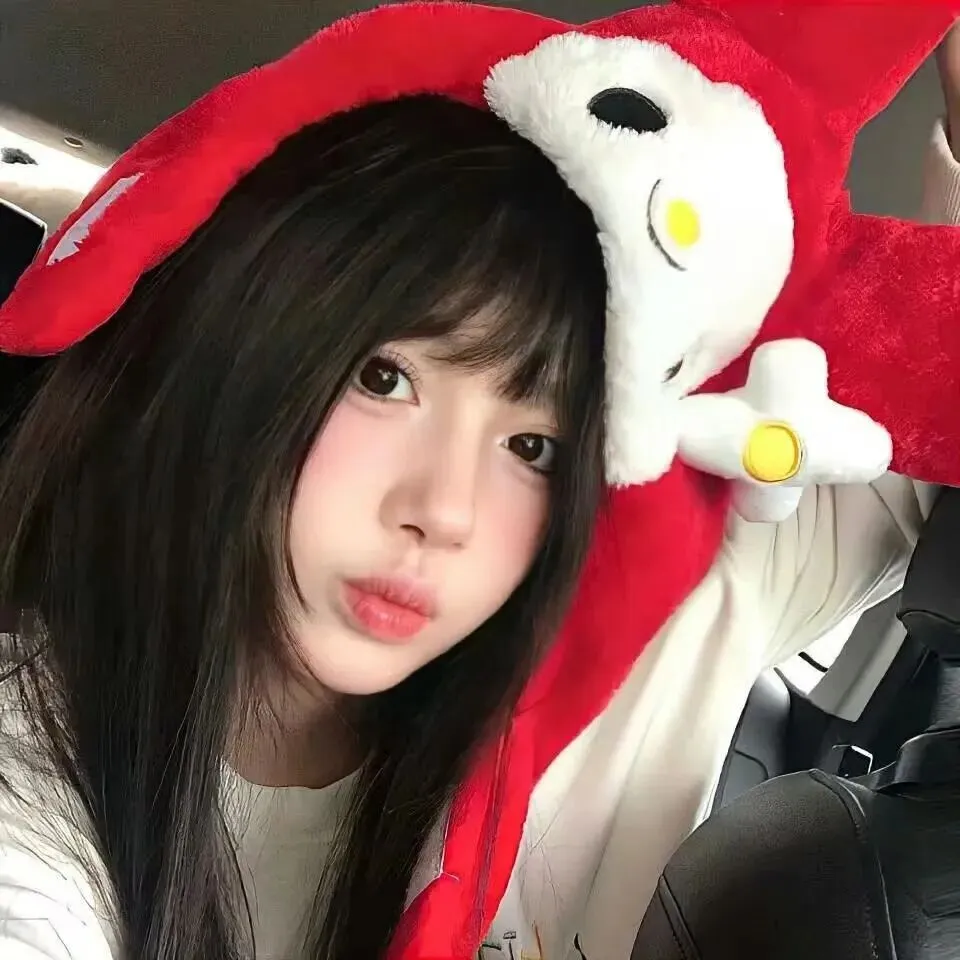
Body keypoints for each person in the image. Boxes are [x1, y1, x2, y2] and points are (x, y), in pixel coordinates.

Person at [2, 6, 960, 960]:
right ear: (241, 345)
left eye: (534, 446)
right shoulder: (33, 804)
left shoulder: (658, 645)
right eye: (386, 381)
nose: (443, 511)